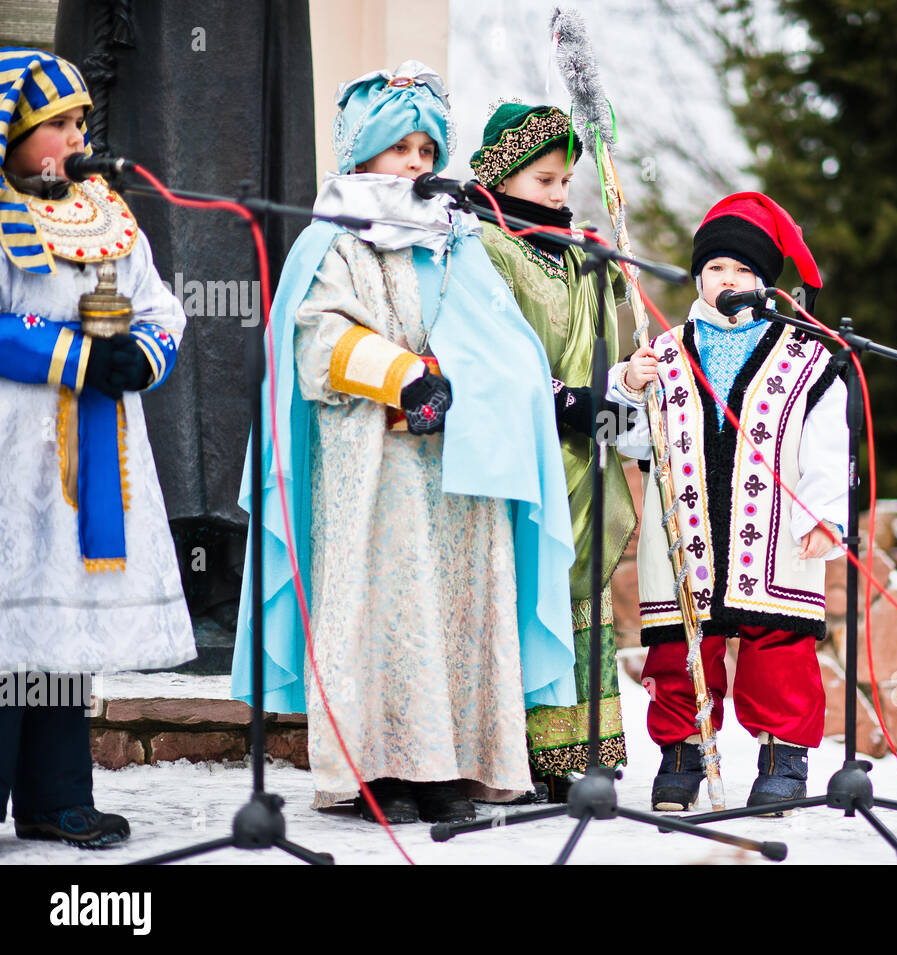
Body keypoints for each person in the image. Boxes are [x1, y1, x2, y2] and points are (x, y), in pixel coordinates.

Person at [231, 63, 577, 826]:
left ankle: (452, 765)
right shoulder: (334, 239)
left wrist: (466, 381)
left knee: (455, 611)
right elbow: (317, 341)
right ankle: (377, 768)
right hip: (374, 464)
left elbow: (506, 343)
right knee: (388, 611)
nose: (419, 165)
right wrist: (403, 377)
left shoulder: (457, 239)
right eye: (402, 150)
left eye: (428, 151)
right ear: (363, 155)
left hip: (460, 465)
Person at [0, 48, 195, 847]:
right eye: (57, 124)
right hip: (13, 451)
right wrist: (78, 356)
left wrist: (143, 352)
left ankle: (54, 793)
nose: (76, 137)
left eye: (82, 121)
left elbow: (159, 305)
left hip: (94, 449)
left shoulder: (105, 211)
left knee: (62, 624)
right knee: (8, 623)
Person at [622, 192, 848, 812]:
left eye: (745, 271)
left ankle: (783, 759)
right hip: (685, 530)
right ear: (699, 275)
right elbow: (635, 440)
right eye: (717, 267)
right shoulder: (661, 353)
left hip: (774, 531)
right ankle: (682, 751)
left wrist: (827, 513)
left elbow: (829, 443)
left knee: (777, 646)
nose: (729, 280)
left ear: (766, 284)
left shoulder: (808, 357)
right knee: (679, 645)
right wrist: (629, 386)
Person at [470, 103, 655, 801]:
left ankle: (570, 754)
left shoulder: (583, 252)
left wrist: (613, 282)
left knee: (583, 596)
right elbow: (489, 351)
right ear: (502, 174)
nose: (557, 194)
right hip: (521, 453)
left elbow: (613, 339)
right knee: (522, 593)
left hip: (589, 453)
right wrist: (566, 400)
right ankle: (511, 754)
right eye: (544, 180)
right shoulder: (482, 246)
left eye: (564, 180)